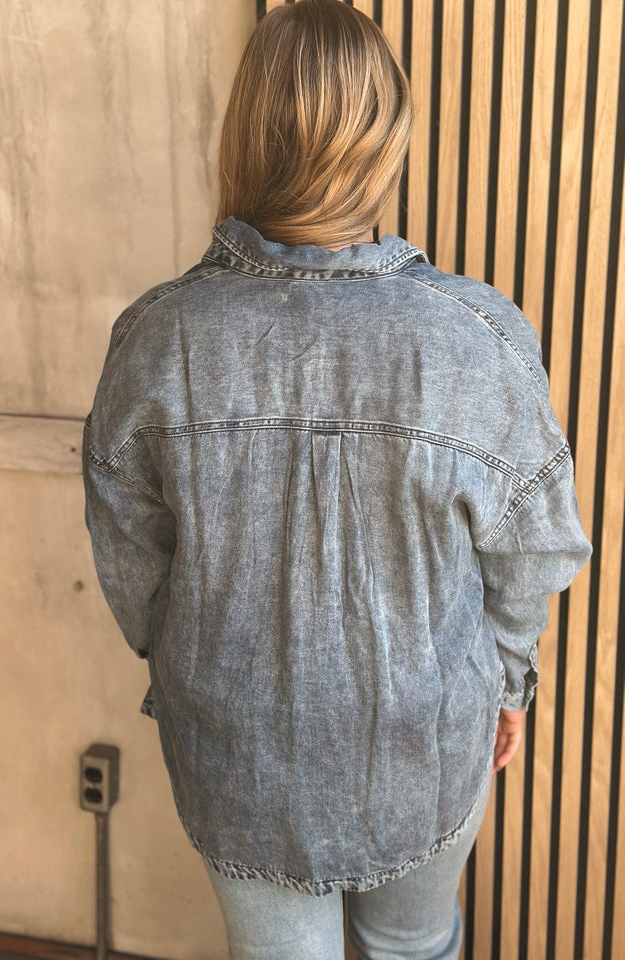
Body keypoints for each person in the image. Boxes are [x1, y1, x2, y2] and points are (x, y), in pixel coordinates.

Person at [82, 1, 592, 957]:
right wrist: (507, 686)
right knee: (417, 948)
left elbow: (131, 562)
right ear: (384, 143)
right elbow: (537, 549)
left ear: (244, 134)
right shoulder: (475, 339)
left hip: (236, 749)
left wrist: (191, 662)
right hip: (428, 737)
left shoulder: (156, 339)